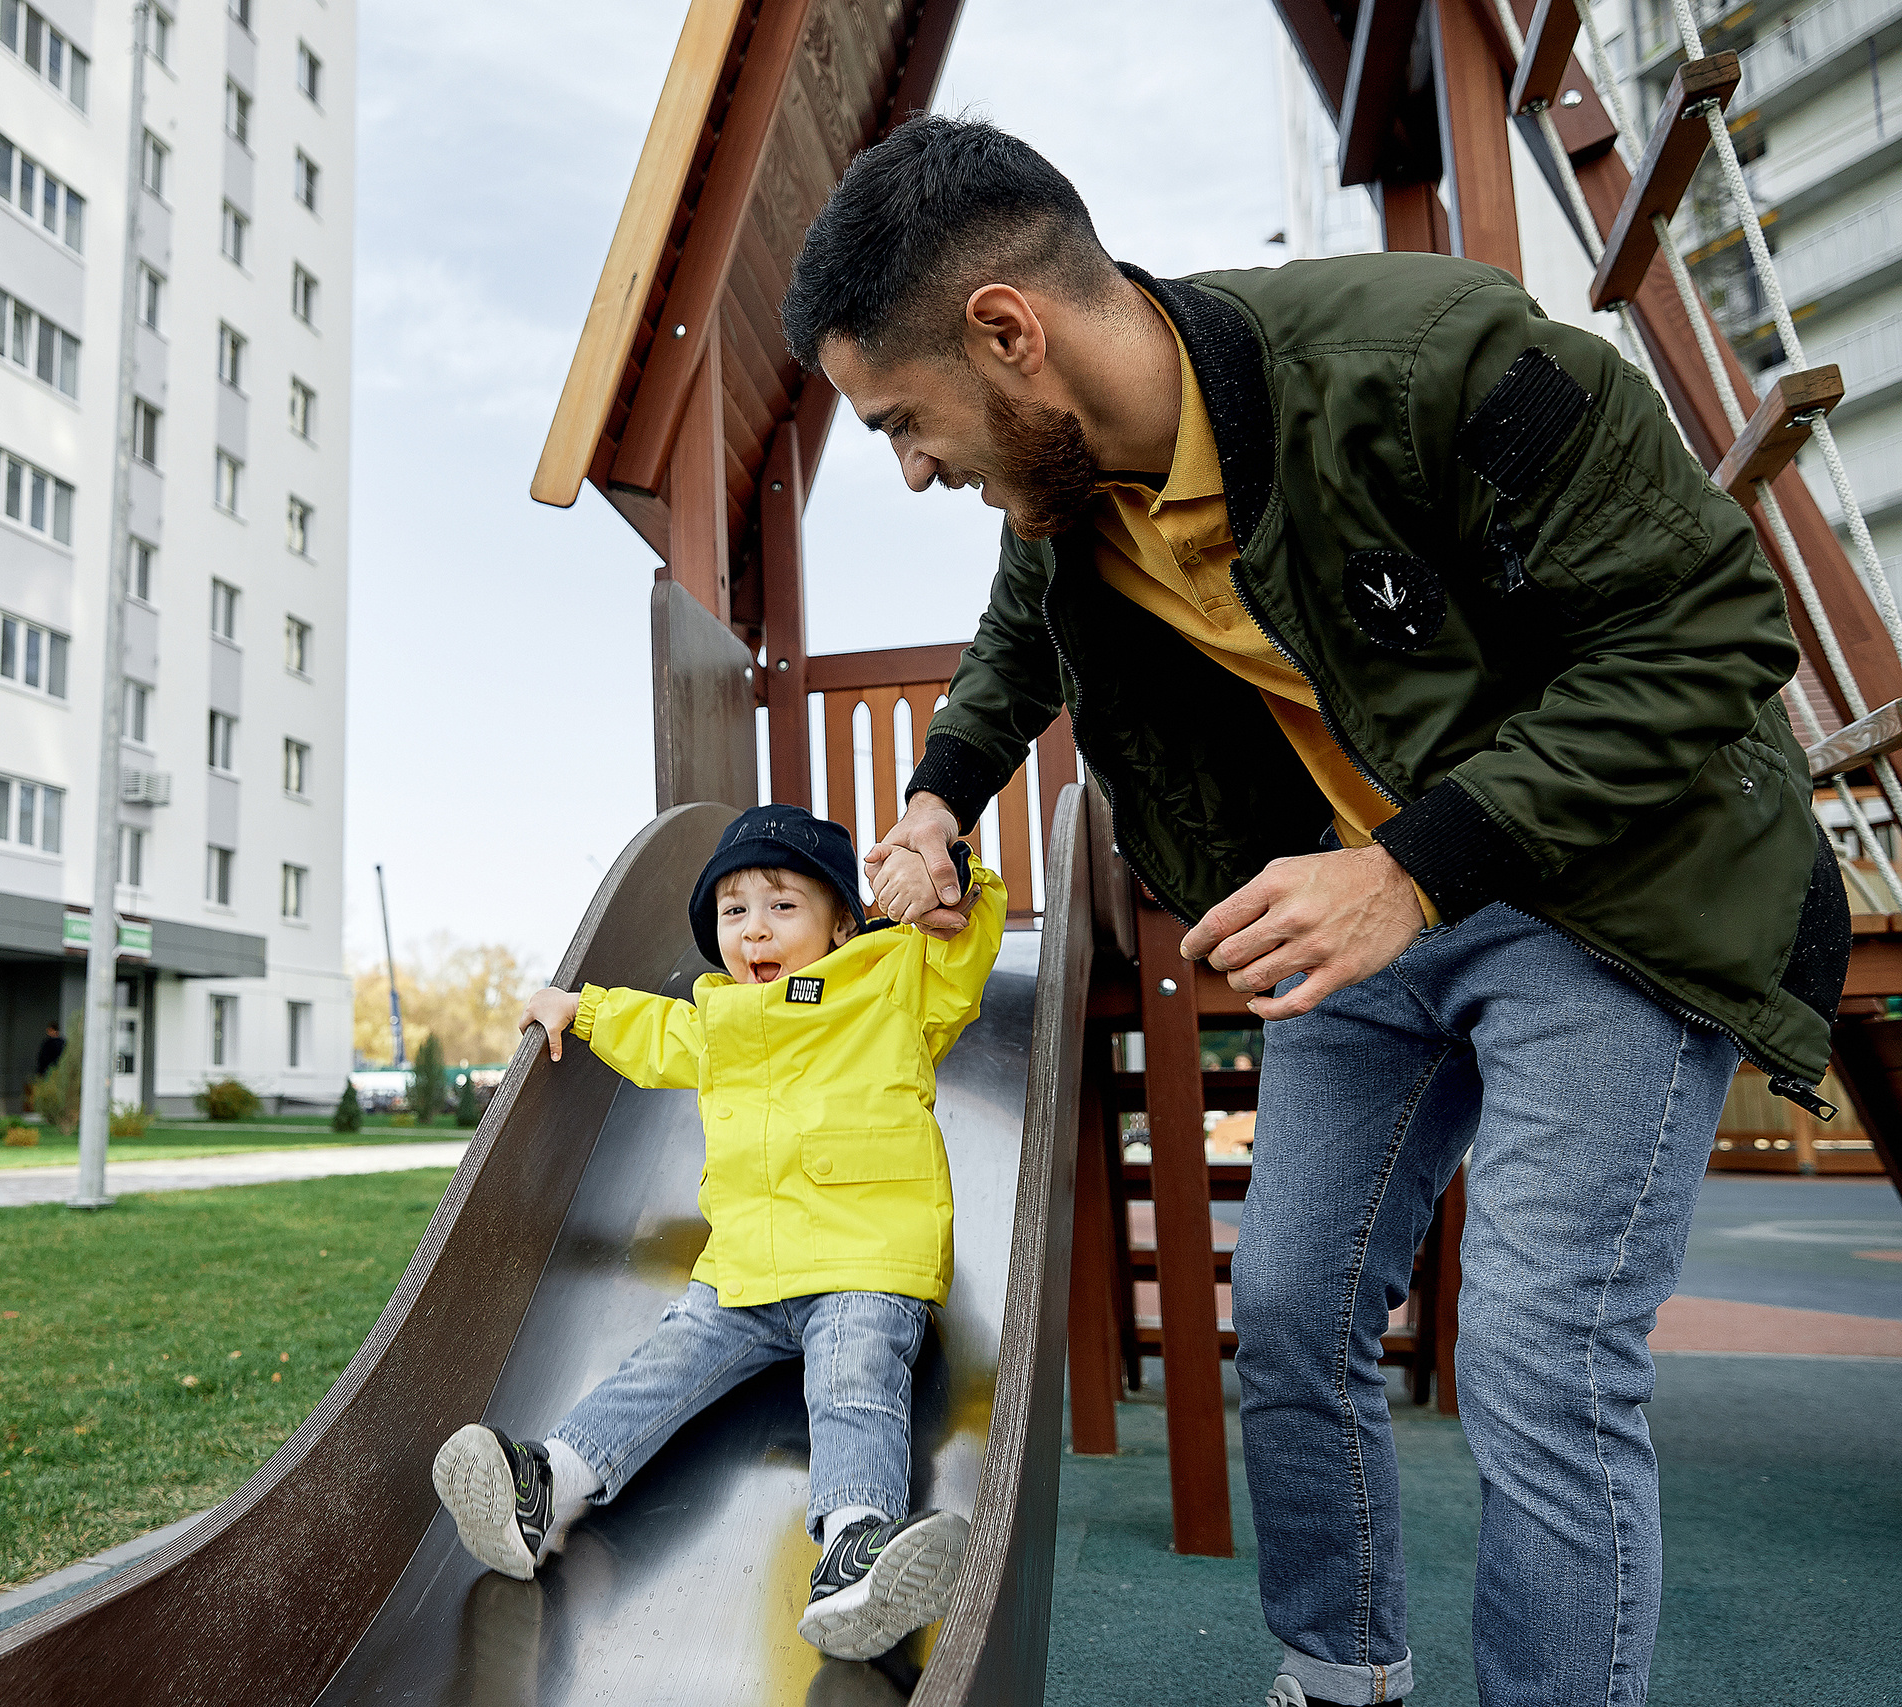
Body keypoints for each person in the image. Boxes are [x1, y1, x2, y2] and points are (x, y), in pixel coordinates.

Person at [779, 115, 1845, 1707]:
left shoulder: (1435, 360)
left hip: (1613, 884)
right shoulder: (1067, 501)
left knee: (1540, 1358)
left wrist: (1412, 864)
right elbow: (1020, 640)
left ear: (1010, 332)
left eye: (905, 421)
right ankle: (1339, 1674)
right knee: (1287, 1311)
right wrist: (938, 799)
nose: (917, 465)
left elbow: (1713, 635)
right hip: (1370, 905)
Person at [428, 804, 1007, 1660]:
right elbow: (653, 1030)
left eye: (782, 904)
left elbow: (966, 945)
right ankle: (545, 1480)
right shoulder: (719, 1017)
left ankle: (854, 1552)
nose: (754, 929)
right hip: (743, 1273)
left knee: (854, 1383)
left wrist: (954, 870)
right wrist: (577, 1008)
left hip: (864, 1259)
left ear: (843, 920)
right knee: (663, 1364)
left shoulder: (894, 982)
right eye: (733, 912)